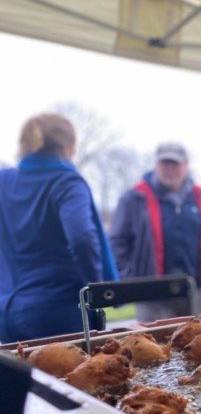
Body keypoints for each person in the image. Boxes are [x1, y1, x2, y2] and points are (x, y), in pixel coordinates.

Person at [0, 114, 118, 343]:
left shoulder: (3, 181)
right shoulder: (66, 182)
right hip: (58, 313)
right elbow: (83, 237)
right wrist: (97, 290)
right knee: (76, 379)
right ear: (69, 147)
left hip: (7, 314)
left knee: (19, 380)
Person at [110, 142, 201, 321]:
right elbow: (117, 242)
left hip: (195, 292)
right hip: (153, 297)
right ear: (156, 165)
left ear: (185, 165)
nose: (169, 169)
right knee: (154, 345)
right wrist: (130, 278)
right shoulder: (134, 198)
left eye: (174, 164)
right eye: (165, 163)